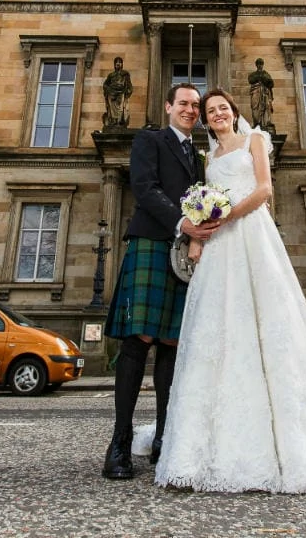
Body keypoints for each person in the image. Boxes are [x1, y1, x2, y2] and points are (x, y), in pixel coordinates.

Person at [152, 88, 306, 493]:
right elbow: (199, 203)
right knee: (219, 328)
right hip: (220, 247)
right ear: (205, 120)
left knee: (269, 318)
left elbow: (265, 190)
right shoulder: (207, 159)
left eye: (222, 108)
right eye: (209, 110)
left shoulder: (255, 141)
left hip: (251, 233)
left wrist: (225, 214)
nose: (216, 114)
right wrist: (199, 232)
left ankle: (288, 442)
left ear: (234, 113)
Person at [101, 83, 218, 480]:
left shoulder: (199, 156)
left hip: (185, 253)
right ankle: (119, 443)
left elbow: (203, 198)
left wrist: (199, 232)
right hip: (152, 241)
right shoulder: (149, 140)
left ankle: (164, 439)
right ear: (169, 106)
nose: (190, 109)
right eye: (183, 103)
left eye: (195, 105)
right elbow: (145, 189)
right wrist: (183, 223)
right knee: (140, 339)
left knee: (172, 341)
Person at [102, 56, 133, 129]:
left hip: (121, 92)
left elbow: (129, 85)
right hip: (112, 93)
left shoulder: (125, 74)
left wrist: (128, 91)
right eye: (116, 62)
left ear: (122, 64)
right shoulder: (111, 75)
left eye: (120, 62)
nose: (118, 64)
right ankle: (113, 121)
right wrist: (108, 89)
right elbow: (105, 84)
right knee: (112, 110)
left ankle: (119, 122)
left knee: (120, 108)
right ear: (114, 64)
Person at [247, 58, 274, 132]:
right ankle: (257, 122)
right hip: (256, 92)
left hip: (265, 93)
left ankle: (266, 123)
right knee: (255, 107)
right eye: (258, 64)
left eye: (261, 64)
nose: (260, 65)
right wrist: (260, 77)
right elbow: (250, 80)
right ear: (256, 65)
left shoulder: (266, 74)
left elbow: (271, 83)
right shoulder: (253, 74)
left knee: (266, 106)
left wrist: (264, 79)